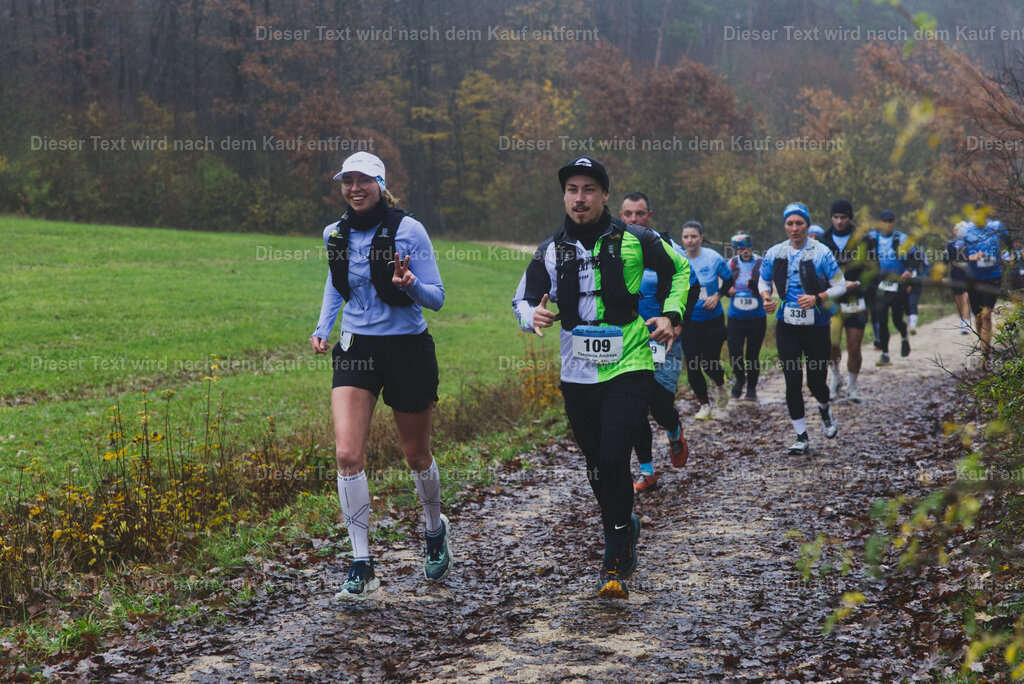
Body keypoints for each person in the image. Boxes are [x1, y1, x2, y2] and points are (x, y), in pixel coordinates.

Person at [512, 157, 690, 599]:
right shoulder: (550, 250)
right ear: (564, 196)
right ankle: (623, 521)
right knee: (596, 463)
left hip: (629, 363)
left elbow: (681, 271)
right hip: (577, 372)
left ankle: (612, 554)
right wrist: (529, 314)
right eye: (572, 188)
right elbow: (522, 297)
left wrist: (671, 313)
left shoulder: (636, 238)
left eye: (589, 188)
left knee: (614, 457)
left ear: (605, 195)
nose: (579, 197)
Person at [310, 151, 450, 600]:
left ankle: (434, 528)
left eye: (363, 181)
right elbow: (336, 282)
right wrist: (322, 327)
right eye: (347, 181)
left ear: (379, 184)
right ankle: (361, 564)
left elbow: (438, 297)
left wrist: (410, 286)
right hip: (357, 347)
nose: (354, 189)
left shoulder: (410, 230)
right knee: (348, 455)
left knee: (416, 456)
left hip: (407, 347)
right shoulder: (334, 233)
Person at [620, 192, 698, 493]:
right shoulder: (615, 246)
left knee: (660, 403)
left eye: (639, 214)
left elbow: (692, 287)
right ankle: (647, 471)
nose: (633, 220)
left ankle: (675, 431)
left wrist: (677, 323)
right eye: (627, 214)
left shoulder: (664, 247)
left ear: (649, 216)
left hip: (663, 337)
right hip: (629, 340)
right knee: (636, 406)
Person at [759, 202, 846, 455]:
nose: (794, 228)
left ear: (807, 225)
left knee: (816, 381)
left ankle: (824, 408)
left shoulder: (822, 252)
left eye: (799, 223)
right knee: (792, 380)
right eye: (790, 223)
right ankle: (801, 435)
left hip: (816, 325)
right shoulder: (775, 252)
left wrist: (817, 297)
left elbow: (840, 286)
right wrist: (766, 297)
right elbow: (763, 280)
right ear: (784, 225)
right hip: (787, 325)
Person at [680, 221, 735, 419]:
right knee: (693, 363)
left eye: (693, 236)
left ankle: (720, 383)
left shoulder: (713, 258)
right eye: (685, 237)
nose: (689, 240)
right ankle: (704, 405)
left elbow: (729, 280)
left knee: (709, 362)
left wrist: (717, 296)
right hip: (689, 321)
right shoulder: (678, 259)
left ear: (701, 238)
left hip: (713, 319)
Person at [819, 199, 871, 402]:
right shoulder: (823, 240)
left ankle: (852, 386)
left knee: (854, 347)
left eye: (843, 217)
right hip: (832, 300)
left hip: (855, 299)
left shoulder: (862, 240)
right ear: (831, 217)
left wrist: (857, 283)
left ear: (850, 218)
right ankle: (835, 378)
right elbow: (818, 271)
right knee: (832, 345)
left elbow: (872, 270)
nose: (839, 221)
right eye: (836, 217)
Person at [865, 210, 923, 366]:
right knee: (882, 319)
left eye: (890, 221)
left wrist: (909, 271)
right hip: (882, 285)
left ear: (894, 223)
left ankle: (904, 336)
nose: (887, 224)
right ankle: (885, 353)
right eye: (885, 221)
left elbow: (916, 258)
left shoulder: (902, 239)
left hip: (899, 285)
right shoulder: (873, 239)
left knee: (897, 319)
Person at [963, 212, 1010, 364]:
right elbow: (956, 252)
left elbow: (1008, 241)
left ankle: (985, 354)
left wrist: (1007, 254)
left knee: (986, 315)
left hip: (993, 277)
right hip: (973, 279)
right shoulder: (966, 230)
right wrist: (970, 257)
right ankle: (983, 345)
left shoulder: (996, 226)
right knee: (977, 318)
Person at [725, 233, 767, 401]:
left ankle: (751, 388)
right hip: (735, 317)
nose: (743, 251)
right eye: (739, 249)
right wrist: (728, 291)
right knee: (735, 354)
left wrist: (756, 287)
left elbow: (768, 286)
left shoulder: (761, 263)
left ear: (751, 247)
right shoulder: (732, 264)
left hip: (757, 318)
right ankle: (740, 379)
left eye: (745, 248)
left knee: (752, 356)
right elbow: (725, 284)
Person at [946, 222, 973, 334]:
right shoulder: (951, 244)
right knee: (958, 299)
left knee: (966, 297)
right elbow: (948, 258)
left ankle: (965, 323)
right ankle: (962, 319)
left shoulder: (971, 242)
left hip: (967, 273)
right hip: (956, 273)